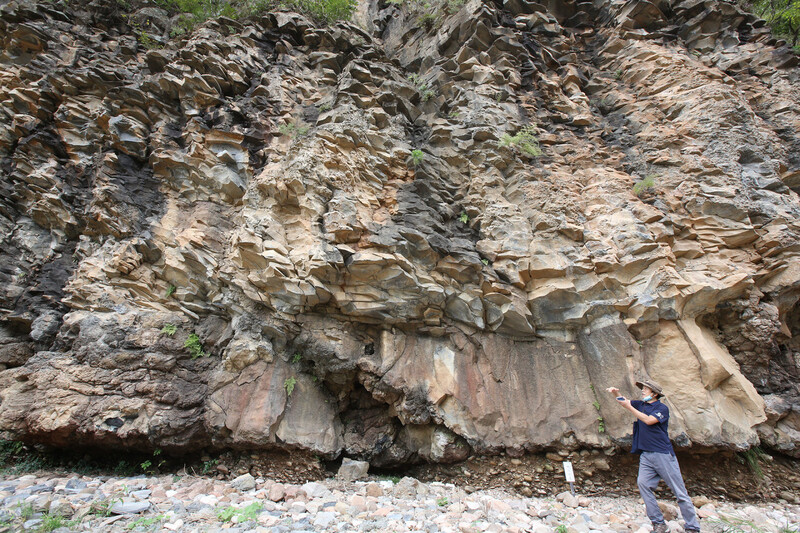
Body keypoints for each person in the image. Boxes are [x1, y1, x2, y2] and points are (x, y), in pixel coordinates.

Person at [606, 380, 701, 533]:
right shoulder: (641, 404)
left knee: (679, 491)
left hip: (662, 454)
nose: (643, 391)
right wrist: (616, 393)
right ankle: (659, 523)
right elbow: (623, 401)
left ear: (654, 394)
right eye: (643, 388)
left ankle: (693, 527)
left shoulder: (662, 408)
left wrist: (629, 407)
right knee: (643, 485)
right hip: (646, 455)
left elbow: (649, 420)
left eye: (646, 389)